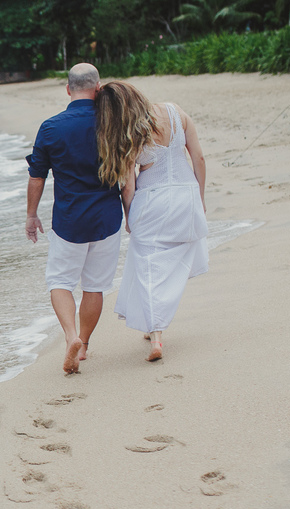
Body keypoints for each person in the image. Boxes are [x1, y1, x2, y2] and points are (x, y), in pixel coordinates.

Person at [94, 80, 208, 362]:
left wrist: (129, 214)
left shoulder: (129, 130)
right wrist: (200, 198)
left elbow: (129, 184)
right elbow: (199, 158)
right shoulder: (175, 111)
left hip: (152, 201)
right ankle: (151, 323)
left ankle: (156, 334)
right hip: (186, 195)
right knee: (169, 262)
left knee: (148, 264)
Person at [25, 63, 123, 375]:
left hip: (69, 220)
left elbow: (37, 178)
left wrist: (31, 215)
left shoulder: (52, 127)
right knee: (95, 287)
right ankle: (84, 343)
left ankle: (70, 336)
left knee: (60, 281)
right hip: (107, 217)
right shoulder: (113, 123)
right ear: (98, 88)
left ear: (68, 89)